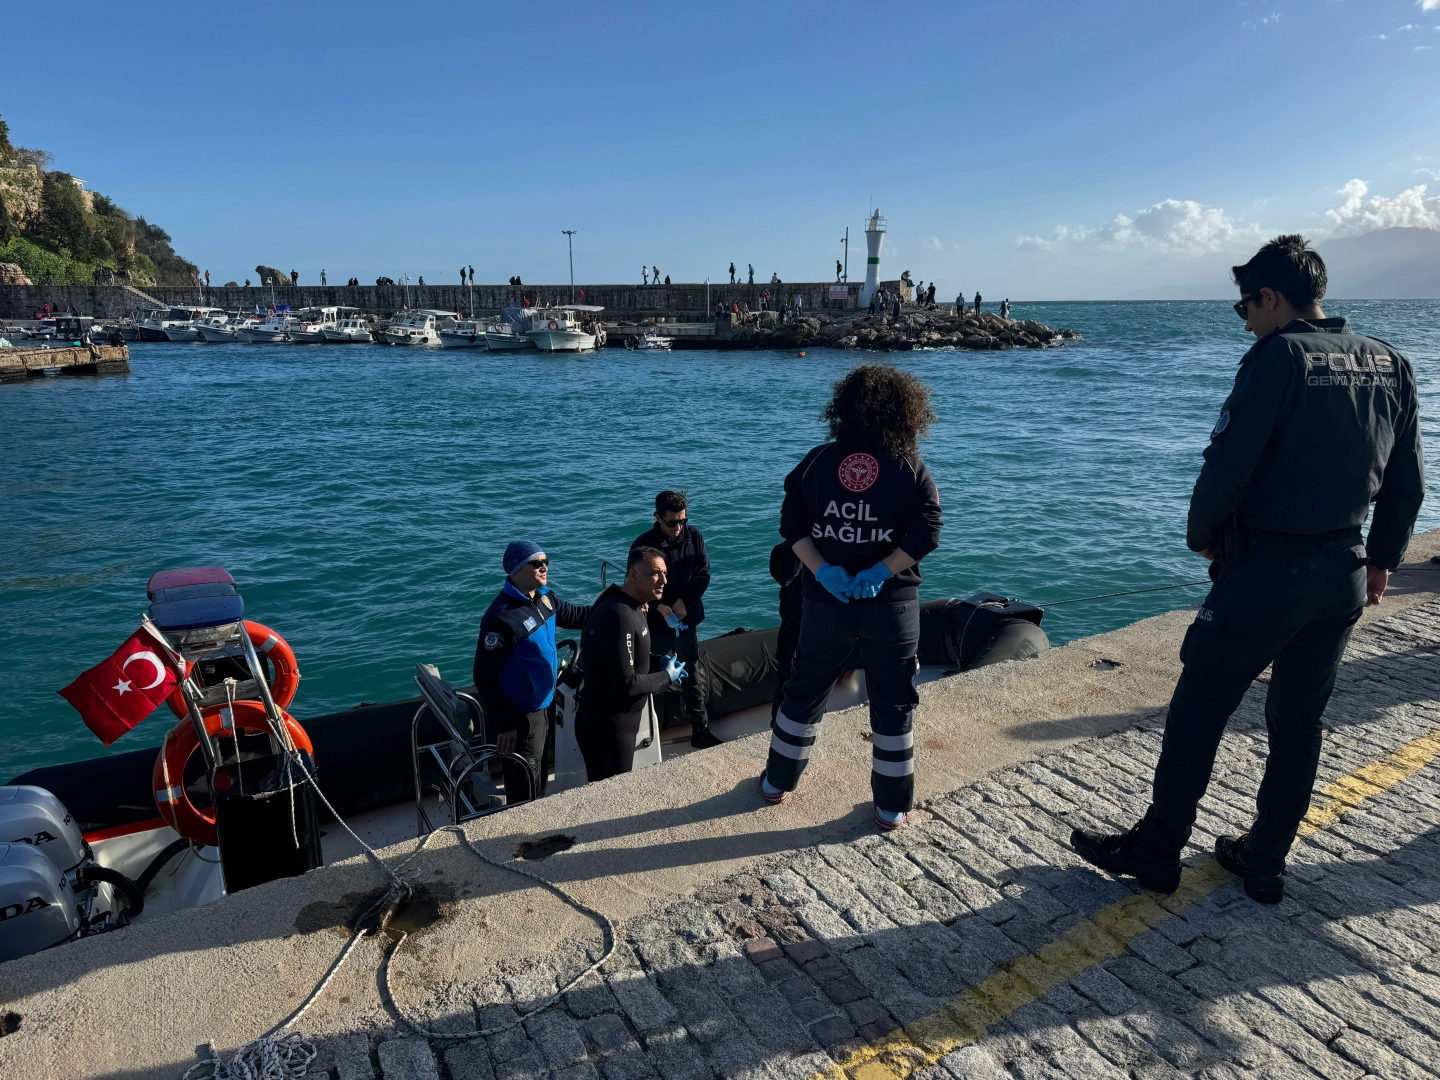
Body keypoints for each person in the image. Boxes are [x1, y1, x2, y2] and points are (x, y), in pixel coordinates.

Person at [1071, 235, 1425, 904]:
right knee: (1299, 721)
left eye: (1245, 308)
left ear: (1270, 297)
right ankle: (1264, 861)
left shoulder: (1279, 358)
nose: (1245, 323)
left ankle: (1158, 849)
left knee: (1199, 708)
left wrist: (1202, 537)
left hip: (1268, 571)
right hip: (1343, 571)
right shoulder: (1391, 361)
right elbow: (1406, 482)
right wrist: (1382, 560)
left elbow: (1229, 464)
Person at [761, 366, 943, 830]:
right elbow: (927, 532)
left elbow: (792, 525)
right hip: (892, 606)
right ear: (907, 413)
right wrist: (882, 570)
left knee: (805, 690)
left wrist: (824, 571)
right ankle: (891, 806)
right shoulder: (909, 468)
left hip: (826, 602)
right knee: (894, 700)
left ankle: (776, 782)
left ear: (842, 409)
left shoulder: (817, 461)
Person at [474, 541, 594, 803]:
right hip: (521, 716)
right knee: (524, 780)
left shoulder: (545, 598)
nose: (544, 567)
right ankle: (523, 826)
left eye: (546, 562)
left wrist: (617, 605)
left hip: (545, 704)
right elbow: (484, 676)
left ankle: (537, 817)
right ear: (517, 569)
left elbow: (576, 616)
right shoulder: (501, 618)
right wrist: (505, 725)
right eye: (537, 563)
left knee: (539, 771)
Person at [576, 547, 686, 781]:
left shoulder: (634, 605)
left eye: (665, 573)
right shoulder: (619, 615)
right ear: (633, 576)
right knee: (609, 797)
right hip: (608, 730)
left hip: (620, 726)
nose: (664, 580)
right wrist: (667, 677)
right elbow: (627, 684)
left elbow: (626, 656)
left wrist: (658, 660)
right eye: (655, 573)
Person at [630, 491, 720, 749]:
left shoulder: (695, 536)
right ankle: (640, 736)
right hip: (653, 625)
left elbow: (703, 575)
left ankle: (700, 731)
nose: (678, 528)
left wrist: (683, 603)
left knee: (692, 676)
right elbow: (634, 588)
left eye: (683, 520)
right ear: (658, 518)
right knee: (645, 675)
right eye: (672, 522)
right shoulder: (642, 546)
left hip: (685, 622)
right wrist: (658, 608)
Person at [768, 542, 804, 721]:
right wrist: (799, 544)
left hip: (820, 625)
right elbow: (787, 576)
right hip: (792, 628)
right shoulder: (781, 551)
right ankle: (778, 726)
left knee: (817, 681)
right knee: (787, 680)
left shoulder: (825, 548)